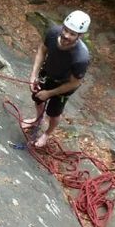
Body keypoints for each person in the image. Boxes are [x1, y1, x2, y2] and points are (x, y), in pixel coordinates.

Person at [22, 10, 91, 148]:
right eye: (66, 30)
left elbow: (74, 82)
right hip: (47, 73)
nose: (66, 35)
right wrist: (33, 75)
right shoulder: (53, 33)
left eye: (72, 34)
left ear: (80, 35)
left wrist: (50, 93)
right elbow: (42, 50)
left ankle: (47, 133)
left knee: (54, 113)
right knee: (38, 98)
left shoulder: (81, 58)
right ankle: (37, 120)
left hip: (64, 85)